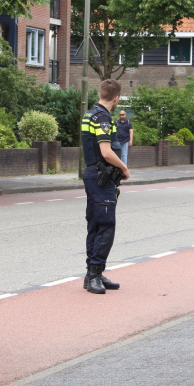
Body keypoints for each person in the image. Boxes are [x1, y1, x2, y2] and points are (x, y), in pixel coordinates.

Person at [81, 79, 131, 294]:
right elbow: (106, 152)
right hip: (102, 177)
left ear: (100, 94)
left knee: (95, 224)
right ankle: (95, 275)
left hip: (93, 175)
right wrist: (124, 168)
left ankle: (93, 273)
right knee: (106, 225)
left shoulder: (89, 114)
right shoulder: (103, 118)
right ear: (116, 98)